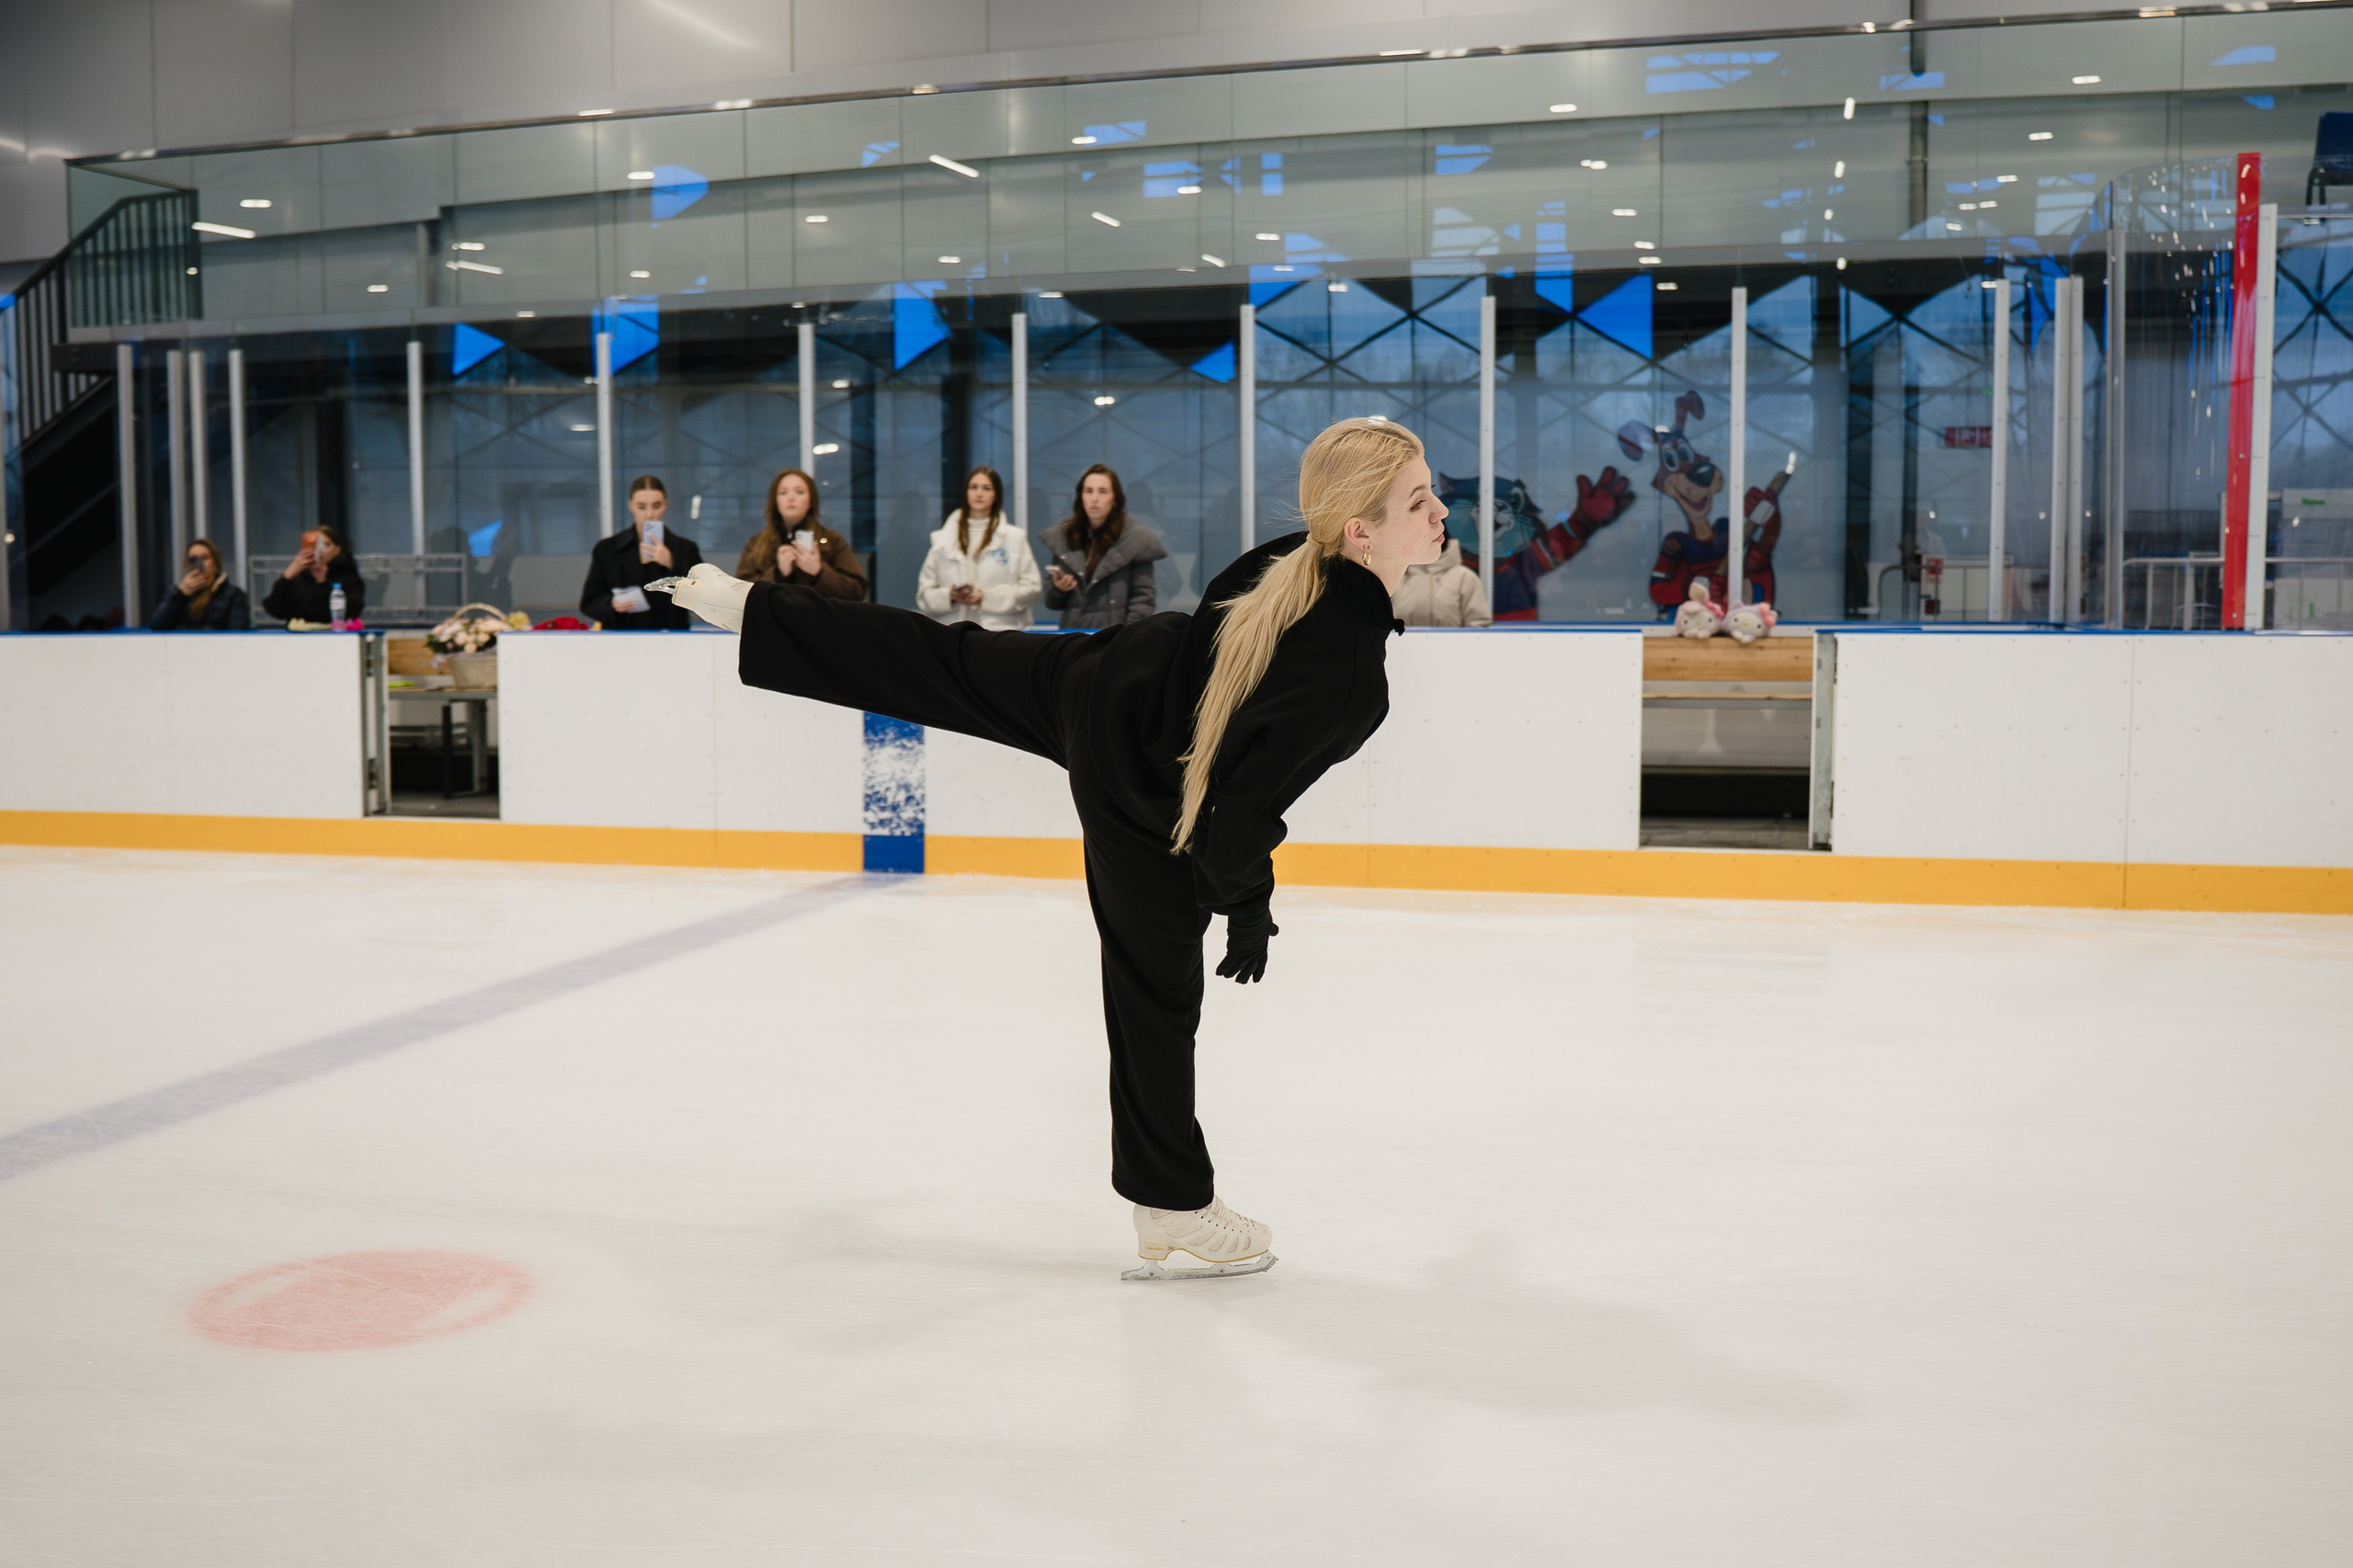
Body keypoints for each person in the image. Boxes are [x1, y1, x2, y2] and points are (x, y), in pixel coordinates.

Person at [656, 417, 1446, 1280]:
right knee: (1156, 1001)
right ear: (1360, 529)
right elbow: (1238, 816)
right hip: (1144, 781)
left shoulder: (1290, 559)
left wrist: (1235, 887)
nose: (1440, 510)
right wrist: (1246, 907)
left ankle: (753, 612)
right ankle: (1173, 1206)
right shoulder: (1350, 675)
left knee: (947, 660)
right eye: (1419, 497)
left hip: (1104, 679)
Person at [915, 465, 1042, 631]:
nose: (979, 494)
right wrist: (951, 596)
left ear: (996, 494)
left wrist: (987, 597)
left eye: (986, 488)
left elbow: (1032, 589)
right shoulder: (942, 540)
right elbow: (924, 595)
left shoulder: (1014, 539)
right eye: (973, 487)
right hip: (951, 633)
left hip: (1000, 632)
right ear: (966, 492)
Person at [1040, 463, 1165, 628]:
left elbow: (1143, 600)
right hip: (1072, 639)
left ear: (1115, 499)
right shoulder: (1065, 536)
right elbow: (1052, 603)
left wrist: (1128, 640)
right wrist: (1058, 588)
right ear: (1080, 496)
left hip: (1115, 640)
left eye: (1102, 491)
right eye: (1088, 491)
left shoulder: (1136, 539)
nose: (1094, 499)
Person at [583, 475, 704, 630]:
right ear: (631, 506)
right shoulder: (607, 549)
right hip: (621, 637)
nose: (649, 514)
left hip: (672, 637)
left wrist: (671, 564)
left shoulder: (685, 549)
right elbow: (590, 601)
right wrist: (611, 604)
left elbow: (702, 596)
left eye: (656, 506)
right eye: (642, 507)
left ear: (665, 505)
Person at [735, 467, 868, 599]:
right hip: (771, 619)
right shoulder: (757, 543)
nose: (791, 498)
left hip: (818, 619)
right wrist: (777, 574)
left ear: (810, 501)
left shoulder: (833, 540)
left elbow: (857, 591)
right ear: (775, 502)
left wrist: (819, 572)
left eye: (799, 492)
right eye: (783, 493)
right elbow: (740, 593)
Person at [262, 524, 366, 625]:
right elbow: (275, 610)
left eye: (325, 545)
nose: (319, 551)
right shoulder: (299, 578)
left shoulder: (349, 578)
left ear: (337, 549)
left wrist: (322, 581)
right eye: (313, 545)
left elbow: (348, 613)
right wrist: (287, 577)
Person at [147, 538, 251, 631]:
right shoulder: (175, 594)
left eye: (204, 558)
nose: (199, 563)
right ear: (187, 565)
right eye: (193, 559)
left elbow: (238, 631)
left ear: (215, 563)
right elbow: (156, 626)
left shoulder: (232, 594)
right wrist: (180, 595)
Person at [1392, 537, 1493, 627]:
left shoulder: (1464, 578)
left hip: (1454, 647)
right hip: (1403, 647)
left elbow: (1478, 626)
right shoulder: (1395, 577)